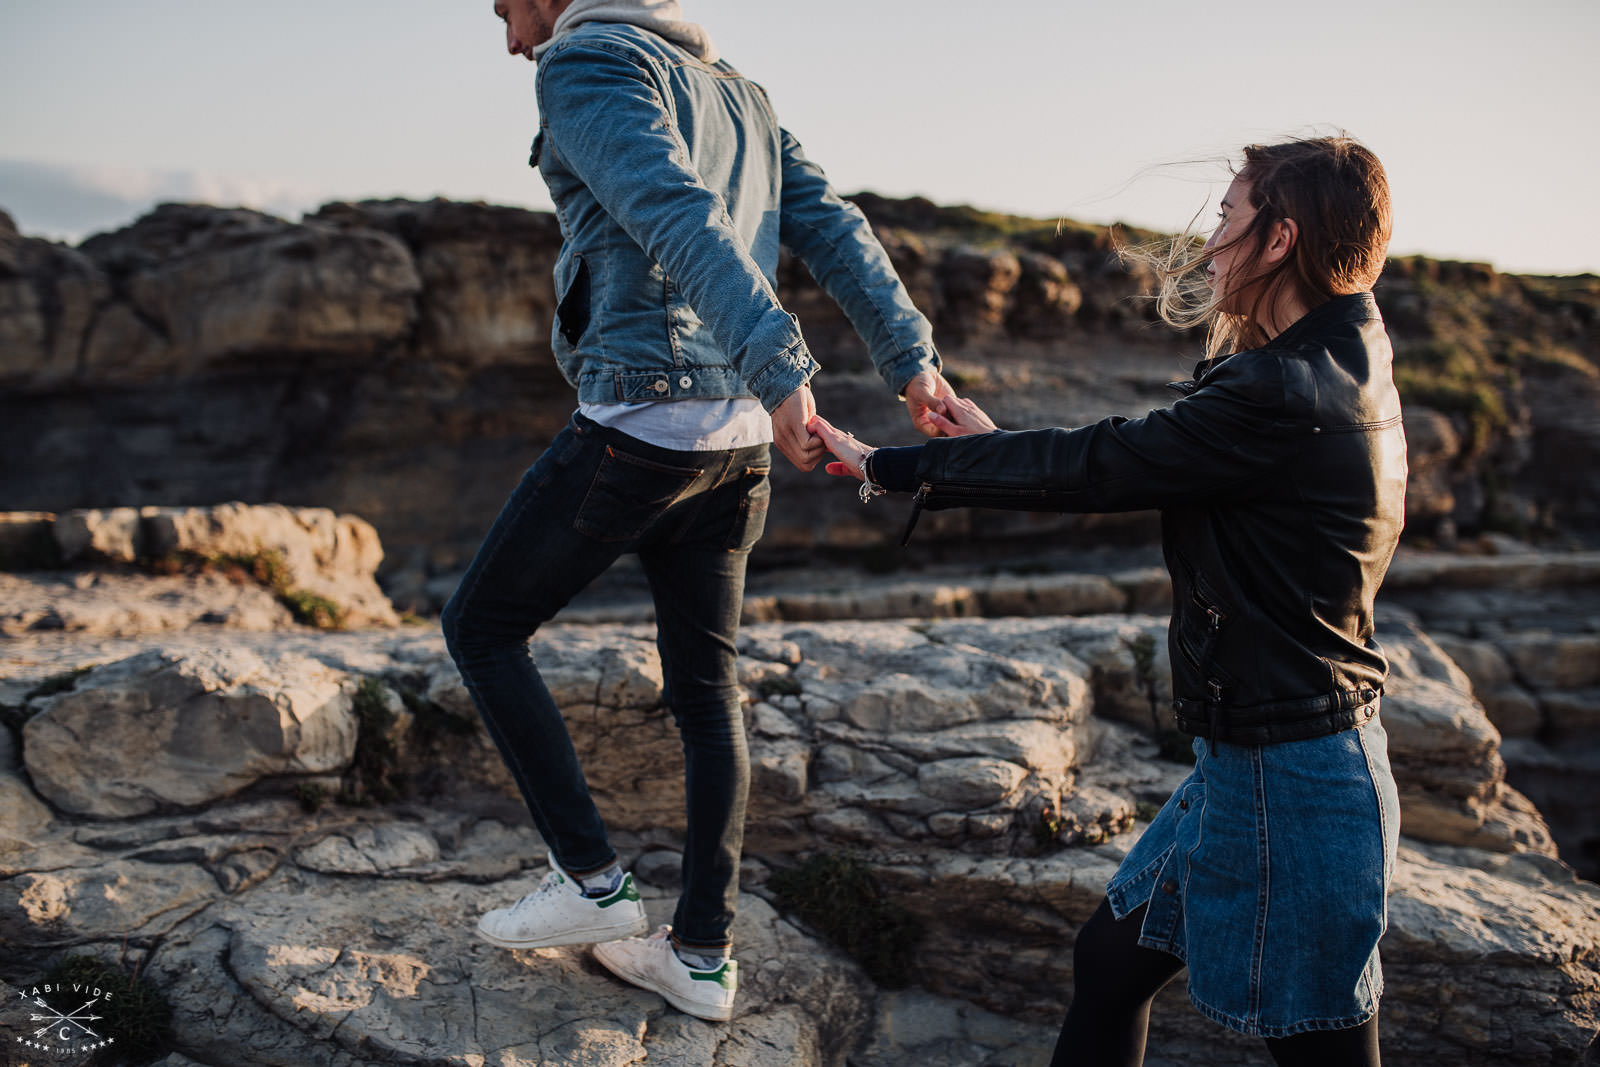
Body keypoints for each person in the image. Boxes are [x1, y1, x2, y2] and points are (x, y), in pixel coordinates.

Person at [812, 135, 1404, 1066]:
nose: (1211, 242)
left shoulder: (1280, 389)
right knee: (1111, 961)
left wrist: (894, 464)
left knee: (1323, 1046)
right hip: (1259, 754)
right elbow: (1134, 462)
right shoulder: (1343, 351)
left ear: (1281, 238)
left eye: (1228, 216)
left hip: (1294, 777)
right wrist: (990, 448)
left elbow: (1099, 462)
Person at [442, 0, 954, 1025]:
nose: (510, 41)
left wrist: (781, 370)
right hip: (736, 448)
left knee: (481, 625)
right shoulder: (741, 95)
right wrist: (915, 366)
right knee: (706, 687)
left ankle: (589, 880)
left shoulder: (585, 64)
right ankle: (702, 957)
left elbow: (676, 215)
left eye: (505, 9)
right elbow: (833, 228)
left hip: (645, 416)